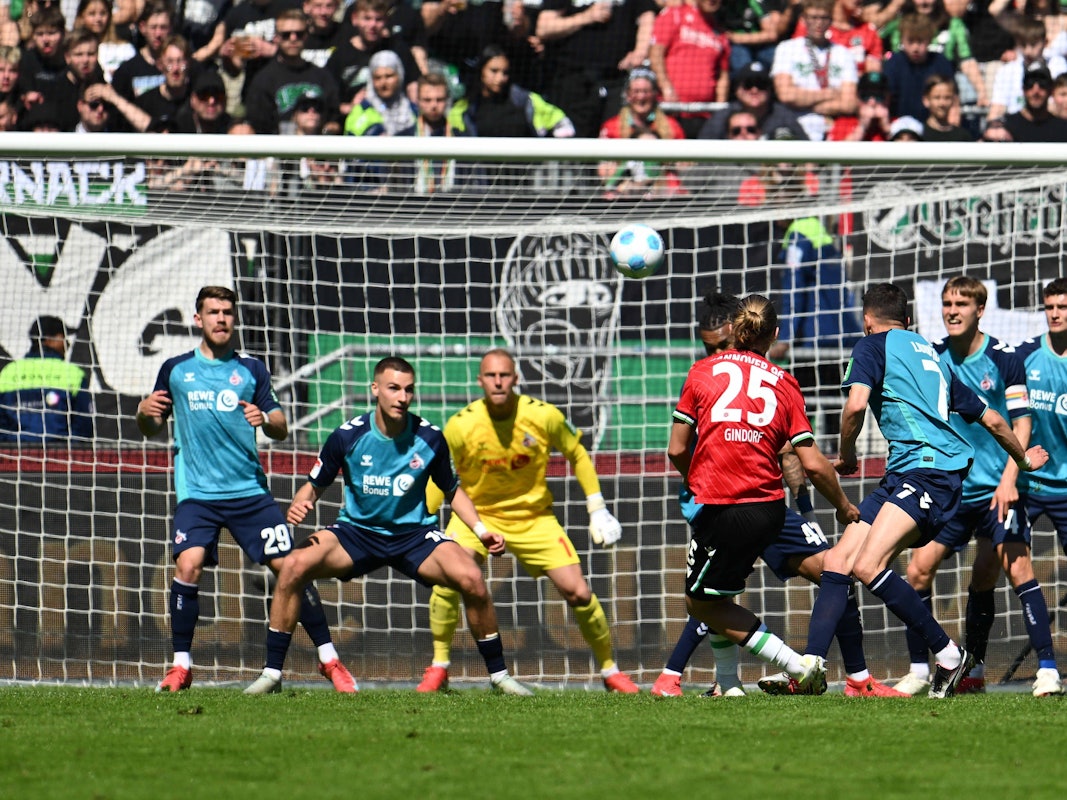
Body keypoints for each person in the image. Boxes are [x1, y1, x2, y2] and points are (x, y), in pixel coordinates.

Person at [801, 283, 1048, 698]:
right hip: (907, 474)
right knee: (839, 560)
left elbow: (856, 406)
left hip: (928, 472)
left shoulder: (871, 345)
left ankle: (949, 655)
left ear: (867, 321)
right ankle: (809, 666)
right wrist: (1022, 460)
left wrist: (846, 455)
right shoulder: (933, 355)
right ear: (909, 320)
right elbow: (994, 420)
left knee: (867, 565)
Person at [652, 292, 902, 698]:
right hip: (770, 507)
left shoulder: (701, 373)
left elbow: (678, 449)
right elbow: (814, 462)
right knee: (830, 571)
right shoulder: (784, 382)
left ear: (733, 330)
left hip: (723, 504)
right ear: (776, 334)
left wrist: (700, 478)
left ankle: (802, 668)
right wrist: (842, 506)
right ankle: (728, 684)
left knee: (704, 601)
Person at [245, 356, 532, 696]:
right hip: (357, 534)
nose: (402, 397)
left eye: (409, 390)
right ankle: (272, 674)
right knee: (292, 567)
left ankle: (499, 677)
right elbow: (313, 485)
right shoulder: (346, 436)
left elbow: (454, 492)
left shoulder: (429, 438)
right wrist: (301, 501)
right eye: (394, 388)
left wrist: (483, 531)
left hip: (414, 537)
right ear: (375, 389)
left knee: (471, 577)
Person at [136, 286, 356, 694]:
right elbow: (151, 422)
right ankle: (180, 667)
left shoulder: (251, 370)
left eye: (227, 313)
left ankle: (330, 660)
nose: (221, 319)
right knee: (188, 566)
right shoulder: (176, 369)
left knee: (292, 569)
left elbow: (280, 423)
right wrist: (143, 414)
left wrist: (264, 419)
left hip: (249, 495)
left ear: (234, 320)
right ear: (198, 319)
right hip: (198, 495)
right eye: (213, 312)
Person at [416, 348, 638, 694]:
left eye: (504, 375)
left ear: (516, 379)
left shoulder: (543, 416)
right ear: (480, 381)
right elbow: (439, 474)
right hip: (477, 516)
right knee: (448, 581)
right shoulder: (461, 424)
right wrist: (425, 520)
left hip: (534, 518)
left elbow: (576, 453)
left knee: (578, 592)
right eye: (491, 376)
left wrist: (597, 507)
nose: (498, 381)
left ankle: (610, 671)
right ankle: (440, 667)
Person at [893, 277, 1062, 698]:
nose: (952, 310)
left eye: (961, 304)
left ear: (979, 309)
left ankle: (1036, 669)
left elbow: (1021, 422)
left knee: (1004, 569)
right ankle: (919, 668)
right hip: (952, 490)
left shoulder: (1004, 358)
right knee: (916, 570)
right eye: (947, 303)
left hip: (995, 491)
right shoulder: (931, 357)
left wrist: (1009, 480)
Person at [1014, 278, 1067, 687]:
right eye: (1049, 306)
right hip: (1028, 486)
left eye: (1062, 306)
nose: (1055, 313)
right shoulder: (1027, 356)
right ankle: (1046, 668)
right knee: (1002, 568)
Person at [536, 0, 657, 138]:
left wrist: (640, 51)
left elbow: (647, 17)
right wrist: (587, 16)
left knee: (614, 141)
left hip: (616, 80)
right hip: (571, 79)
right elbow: (544, 28)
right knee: (573, 141)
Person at [770, 0, 858, 141]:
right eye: (813, 18)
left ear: (831, 20)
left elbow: (849, 103)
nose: (819, 23)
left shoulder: (843, 53)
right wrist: (830, 94)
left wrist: (806, 102)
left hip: (833, 130)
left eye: (824, 18)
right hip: (795, 126)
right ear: (804, 20)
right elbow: (786, 95)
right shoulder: (787, 48)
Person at [245, 9, 341, 135]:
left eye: (299, 34)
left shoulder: (322, 76)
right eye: (286, 34)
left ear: (306, 36)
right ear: (276, 38)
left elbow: (334, 118)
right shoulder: (264, 79)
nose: (293, 38)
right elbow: (259, 125)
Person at [0, 315, 92, 442]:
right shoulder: (72, 373)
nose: (68, 344)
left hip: (15, 456)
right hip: (60, 457)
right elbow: (84, 427)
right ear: (48, 340)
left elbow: (2, 424)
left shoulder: (8, 372)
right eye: (63, 337)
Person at [648, 0, 731, 139]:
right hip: (670, 111)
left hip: (704, 115)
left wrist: (719, 110)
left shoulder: (720, 34)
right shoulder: (675, 15)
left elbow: (723, 76)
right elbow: (656, 54)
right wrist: (666, 87)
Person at [697, 62, 808, 141]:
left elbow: (807, 153)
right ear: (737, 90)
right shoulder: (723, 116)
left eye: (761, 85)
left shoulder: (783, 115)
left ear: (770, 89)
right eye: (748, 85)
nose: (754, 90)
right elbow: (700, 152)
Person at [987, 15, 1066, 121]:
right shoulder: (1007, 71)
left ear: (1045, 42)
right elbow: (997, 109)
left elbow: (1060, 106)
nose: (1027, 51)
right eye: (1023, 45)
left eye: (1033, 44)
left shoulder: (1058, 65)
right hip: (1016, 128)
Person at [881, 13, 956, 123]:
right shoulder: (893, 63)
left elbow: (954, 98)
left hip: (933, 126)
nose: (915, 48)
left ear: (929, 40)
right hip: (901, 126)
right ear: (902, 40)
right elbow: (885, 100)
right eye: (910, 41)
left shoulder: (941, 62)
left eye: (920, 41)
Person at [111, 0, 174, 101]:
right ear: (142, 27)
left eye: (163, 27)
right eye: (153, 27)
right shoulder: (127, 71)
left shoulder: (178, 69)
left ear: (170, 28)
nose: (158, 34)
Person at [1003, 61, 1067, 142]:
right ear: (1023, 89)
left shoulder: (1063, 130)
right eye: (1030, 83)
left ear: (1051, 90)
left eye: (1042, 84)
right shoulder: (1007, 128)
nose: (1036, 90)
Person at [920, 73, 974, 141]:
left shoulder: (963, 137)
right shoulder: (919, 134)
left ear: (953, 100)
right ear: (926, 100)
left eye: (947, 98)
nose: (942, 103)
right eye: (937, 98)